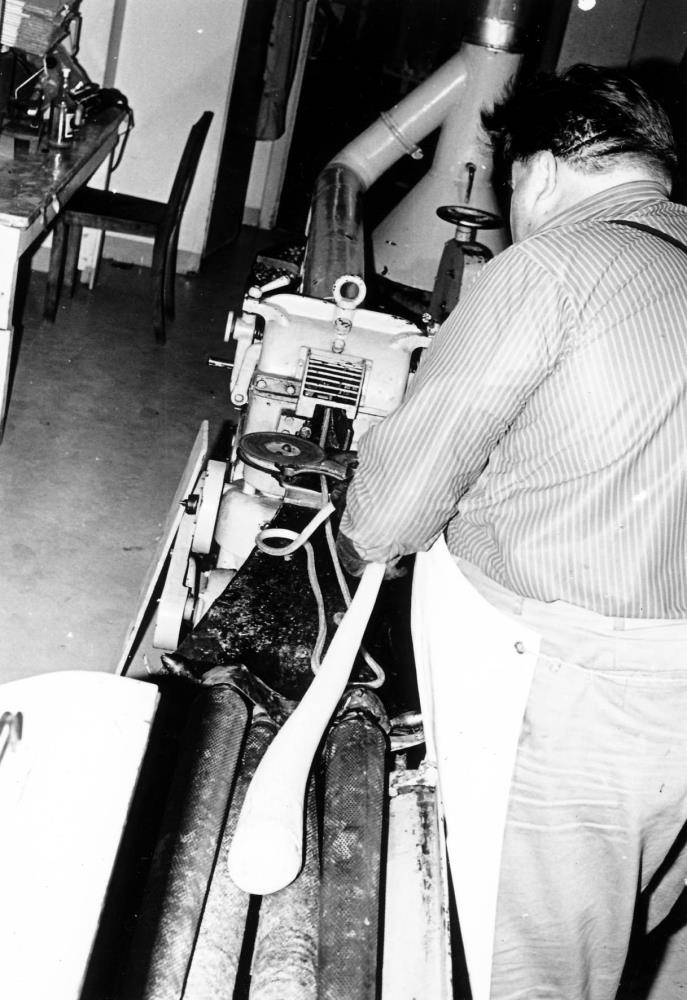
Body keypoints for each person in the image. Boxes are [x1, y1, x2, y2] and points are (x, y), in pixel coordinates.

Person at [337, 63, 687, 998]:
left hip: (571, 699)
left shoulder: (547, 269)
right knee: (625, 924)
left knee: (526, 966)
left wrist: (354, 530)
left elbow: (389, 514)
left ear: (537, 170)